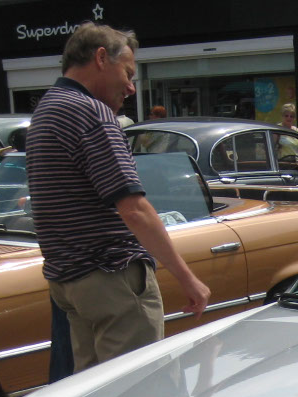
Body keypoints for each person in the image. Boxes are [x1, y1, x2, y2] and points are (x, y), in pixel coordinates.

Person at [27, 22, 209, 373]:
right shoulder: (92, 113)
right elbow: (134, 209)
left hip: (69, 281)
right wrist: (188, 279)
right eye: (127, 74)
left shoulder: (47, 109)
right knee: (138, 396)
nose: (130, 87)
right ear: (99, 58)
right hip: (111, 275)